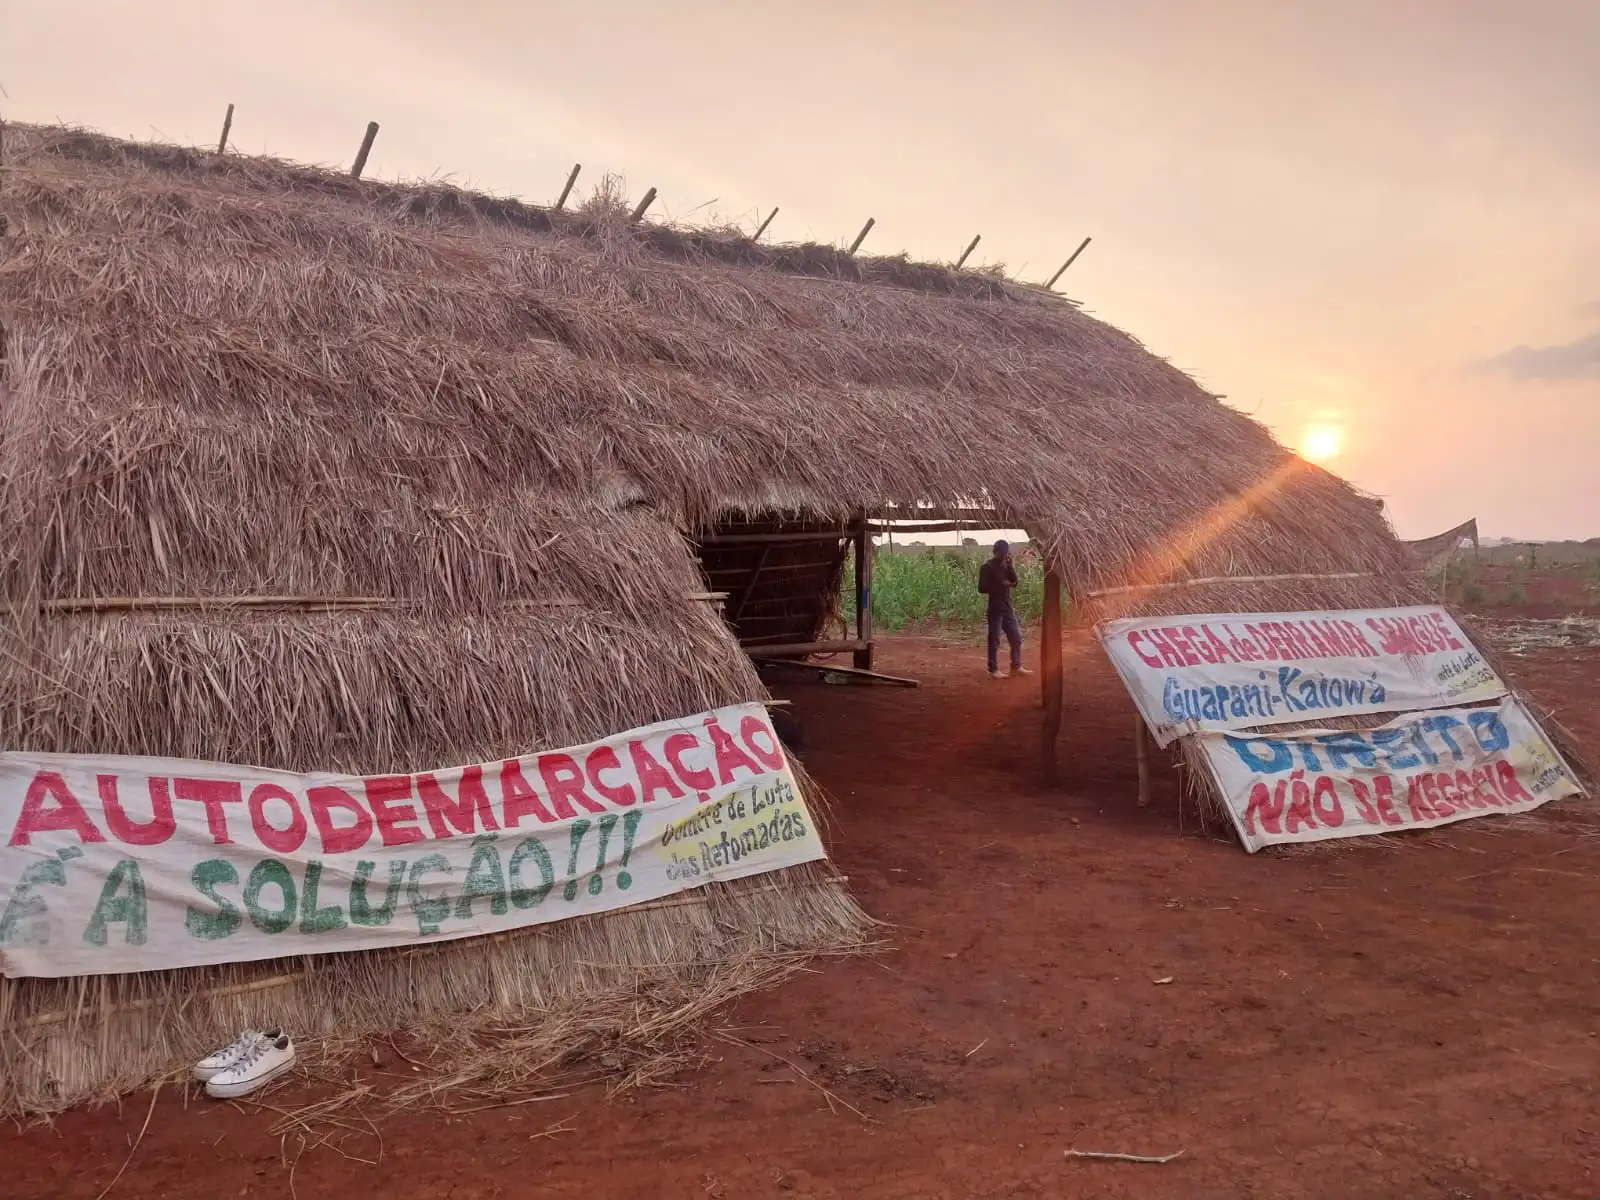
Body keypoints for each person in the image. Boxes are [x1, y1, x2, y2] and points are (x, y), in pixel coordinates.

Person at [977, 540, 1030, 679]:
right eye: (1001, 553)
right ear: (995, 552)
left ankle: (1016, 666)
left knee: (1016, 637)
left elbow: (1015, 581)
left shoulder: (1006, 566)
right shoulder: (987, 567)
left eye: (1005, 553)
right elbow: (981, 588)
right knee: (994, 640)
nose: (1003, 556)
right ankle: (993, 670)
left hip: (1007, 608)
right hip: (995, 609)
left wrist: (1010, 565)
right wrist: (1001, 585)